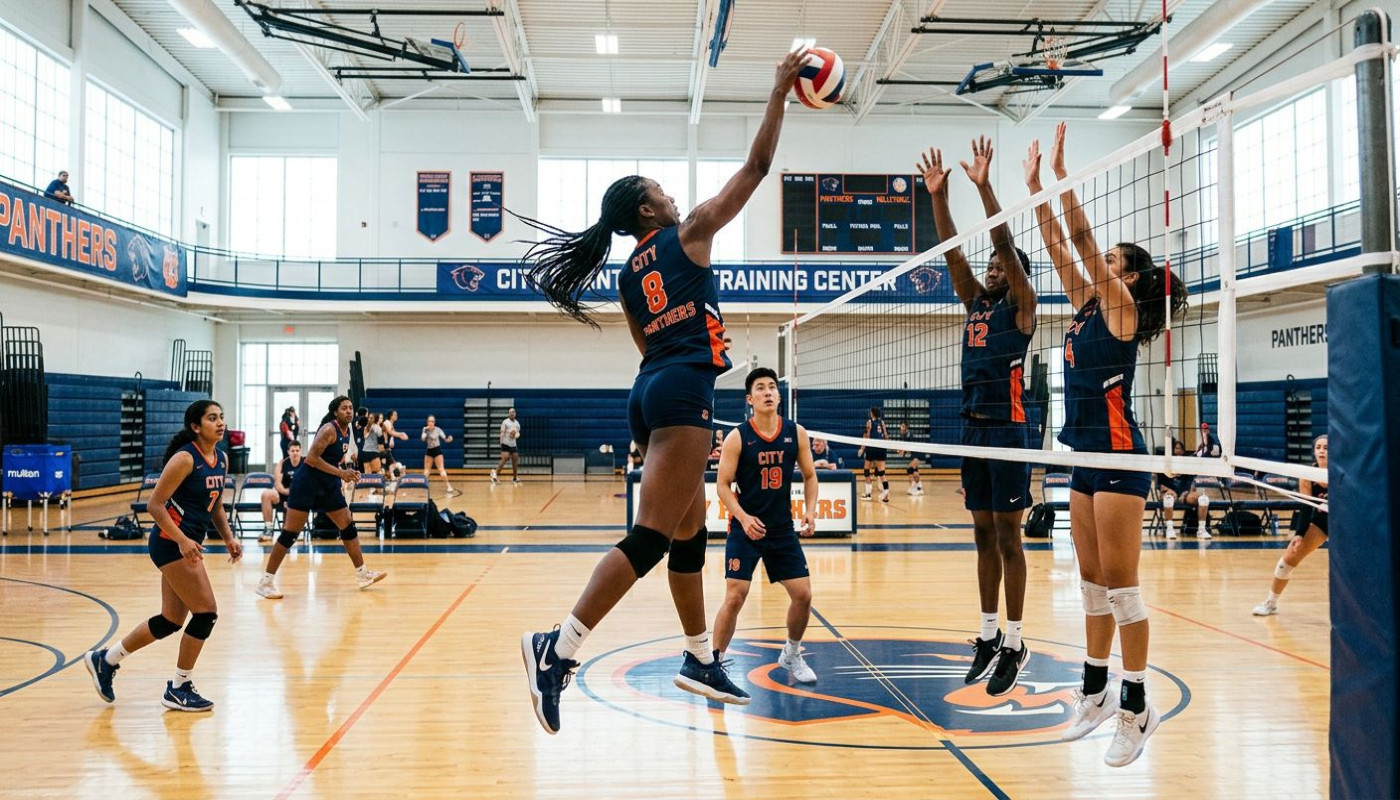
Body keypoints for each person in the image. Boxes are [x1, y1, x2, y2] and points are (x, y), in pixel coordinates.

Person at [518, 48, 805, 735]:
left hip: (648, 390)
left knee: (687, 537)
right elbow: (758, 169)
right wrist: (779, 92)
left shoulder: (627, 274)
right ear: (650, 207)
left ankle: (699, 656)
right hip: (680, 394)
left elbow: (646, 346)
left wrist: (679, 371)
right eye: (664, 190)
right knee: (649, 539)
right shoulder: (690, 232)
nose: (675, 196)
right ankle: (557, 650)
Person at [1026, 122, 1188, 767]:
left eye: (1114, 263)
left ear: (1128, 276)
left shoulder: (1118, 307)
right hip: (1084, 456)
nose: (1102, 265)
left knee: (1123, 587)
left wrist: (1062, 176)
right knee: (1091, 584)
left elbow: (1084, 242)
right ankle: (1093, 694)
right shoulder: (1084, 304)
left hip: (1121, 457)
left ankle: (1136, 705)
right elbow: (1057, 245)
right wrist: (1034, 189)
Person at [922, 136, 1038, 695]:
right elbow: (951, 251)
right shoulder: (975, 304)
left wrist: (985, 187)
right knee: (982, 535)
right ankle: (989, 633)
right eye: (989, 266)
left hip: (1008, 432)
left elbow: (1004, 243)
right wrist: (937, 198)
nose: (992, 269)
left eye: (1001, 266)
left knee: (1011, 539)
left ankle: (1016, 640)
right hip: (972, 431)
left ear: (1014, 274)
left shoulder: (1023, 310)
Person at [83, 400, 242, 712]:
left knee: (170, 620)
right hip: (171, 542)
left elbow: (216, 504)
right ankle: (180, 686)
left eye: (221, 417)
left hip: (186, 543)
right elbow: (155, 505)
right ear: (196, 427)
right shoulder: (185, 459)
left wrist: (229, 537)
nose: (220, 423)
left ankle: (106, 659)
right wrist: (183, 540)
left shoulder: (221, 459)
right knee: (206, 612)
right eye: (212, 418)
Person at [712, 367, 820, 684]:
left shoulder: (795, 432)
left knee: (803, 595)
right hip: (745, 529)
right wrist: (743, 518)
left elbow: (810, 475)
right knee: (736, 595)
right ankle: (712, 666)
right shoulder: (738, 437)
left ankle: (791, 653)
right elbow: (722, 485)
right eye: (761, 388)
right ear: (750, 399)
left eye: (772, 387)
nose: (769, 392)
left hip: (781, 529)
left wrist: (810, 511)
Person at [254, 396, 387, 599]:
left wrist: (348, 469)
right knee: (290, 534)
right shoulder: (329, 429)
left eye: (351, 408)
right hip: (307, 484)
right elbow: (313, 459)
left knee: (348, 526)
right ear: (336, 412)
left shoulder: (347, 430)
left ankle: (362, 574)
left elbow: (332, 459)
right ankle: (266, 582)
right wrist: (341, 474)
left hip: (328, 485)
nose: (349, 411)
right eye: (344, 408)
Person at [1253, 435, 1328, 616]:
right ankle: (1271, 603)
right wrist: (1299, 533)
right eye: (1318, 447)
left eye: (1326, 447)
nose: (1321, 451)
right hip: (1321, 522)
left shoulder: (1342, 471)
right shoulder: (1308, 474)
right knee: (1288, 558)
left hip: (1344, 522)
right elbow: (1305, 506)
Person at [1155, 438, 1210, 541]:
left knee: (1203, 499)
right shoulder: (1166, 464)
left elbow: (1191, 482)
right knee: (1168, 498)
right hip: (1170, 492)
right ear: (1172, 451)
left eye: (1180, 449)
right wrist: (1170, 491)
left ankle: (1201, 530)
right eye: (1176, 448)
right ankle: (1170, 529)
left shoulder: (1187, 463)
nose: (1178, 451)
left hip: (1185, 493)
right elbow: (1161, 486)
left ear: (1183, 451)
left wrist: (1188, 492)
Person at [257, 441, 302, 545]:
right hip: (283, 493)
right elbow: (278, 484)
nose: (295, 453)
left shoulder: (305, 464)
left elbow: (307, 484)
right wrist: (287, 493)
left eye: (297, 451)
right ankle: (268, 529)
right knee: (266, 494)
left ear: (300, 452)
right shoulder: (282, 463)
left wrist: (293, 495)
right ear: (288, 452)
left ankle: (293, 530)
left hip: (298, 495)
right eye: (292, 451)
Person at [857, 406, 889, 502]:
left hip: (872, 448)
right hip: (881, 448)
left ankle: (868, 494)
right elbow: (886, 437)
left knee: (866, 470)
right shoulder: (882, 422)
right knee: (882, 473)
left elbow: (867, 436)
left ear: (872, 413)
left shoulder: (869, 422)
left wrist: (862, 448)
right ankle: (886, 495)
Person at [421, 415, 459, 496]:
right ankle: (423, 487)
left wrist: (449, 439)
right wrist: (425, 431)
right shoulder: (425, 429)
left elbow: (445, 439)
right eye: (429, 421)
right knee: (426, 470)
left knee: (441, 469)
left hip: (437, 450)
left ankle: (448, 486)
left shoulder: (438, 430)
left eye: (432, 421)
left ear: (434, 422)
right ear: (427, 422)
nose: (431, 423)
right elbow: (422, 439)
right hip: (429, 450)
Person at [492, 408, 522, 485]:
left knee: (515, 459)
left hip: (513, 445)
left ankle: (515, 478)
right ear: (509, 414)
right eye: (510, 412)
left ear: (515, 413)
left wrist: (515, 435)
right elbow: (502, 432)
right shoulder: (505, 422)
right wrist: (501, 442)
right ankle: (495, 475)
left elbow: (517, 434)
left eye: (513, 412)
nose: (512, 413)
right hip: (505, 443)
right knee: (505, 458)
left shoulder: (517, 424)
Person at [895, 423, 925, 496]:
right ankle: (919, 487)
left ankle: (915, 487)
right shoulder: (904, 435)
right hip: (913, 454)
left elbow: (908, 446)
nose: (901, 428)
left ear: (906, 427)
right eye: (900, 426)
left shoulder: (908, 434)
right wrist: (902, 452)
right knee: (912, 469)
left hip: (918, 453)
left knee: (911, 469)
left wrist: (902, 451)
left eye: (902, 426)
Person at [381, 410, 408, 482]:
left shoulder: (391, 425)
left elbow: (391, 435)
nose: (396, 416)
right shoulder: (387, 422)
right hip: (380, 447)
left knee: (387, 464)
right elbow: (390, 432)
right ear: (391, 416)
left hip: (385, 447)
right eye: (395, 415)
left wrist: (401, 437)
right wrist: (401, 434)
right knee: (389, 464)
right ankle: (399, 468)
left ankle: (392, 476)